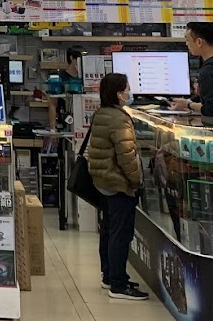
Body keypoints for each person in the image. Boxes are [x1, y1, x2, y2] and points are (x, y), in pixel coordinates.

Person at [87, 72, 148, 301]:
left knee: (108, 230)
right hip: (118, 183)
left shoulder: (101, 113)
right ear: (118, 93)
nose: (129, 92)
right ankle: (119, 284)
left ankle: (109, 275)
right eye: (127, 89)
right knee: (120, 235)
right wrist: (136, 182)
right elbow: (127, 157)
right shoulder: (119, 119)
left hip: (102, 181)